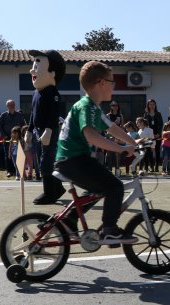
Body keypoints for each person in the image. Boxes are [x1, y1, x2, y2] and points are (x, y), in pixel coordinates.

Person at [54, 60, 139, 245]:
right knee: (114, 187)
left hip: (72, 159)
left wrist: (134, 143)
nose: (113, 86)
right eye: (112, 82)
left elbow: (112, 128)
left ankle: (68, 220)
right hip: (73, 160)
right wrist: (121, 149)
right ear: (101, 83)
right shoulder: (86, 106)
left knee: (98, 189)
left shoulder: (92, 107)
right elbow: (91, 136)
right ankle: (109, 229)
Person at [28, 49, 66, 204]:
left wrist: (49, 130)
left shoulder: (52, 92)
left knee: (46, 162)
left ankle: (49, 192)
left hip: (48, 131)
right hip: (38, 131)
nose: (32, 69)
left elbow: (53, 113)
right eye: (33, 65)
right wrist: (29, 129)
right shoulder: (36, 92)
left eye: (38, 65)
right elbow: (33, 113)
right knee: (40, 160)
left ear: (52, 73)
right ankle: (57, 188)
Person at [0, 99, 25, 177]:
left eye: (13, 104)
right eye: (10, 105)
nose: (12, 106)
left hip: (18, 139)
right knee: (8, 155)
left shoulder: (19, 115)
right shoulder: (3, 115)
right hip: (7, 139)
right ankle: (9, 171)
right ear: (7, 106)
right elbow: (0, 127)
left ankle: (19, 171)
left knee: (19, 155)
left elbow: (23, 125)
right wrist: (5, 136)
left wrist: (22, 136)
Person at [142, 99, 163, 173]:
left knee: (157, 151)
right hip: (148, 136)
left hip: (157, 135)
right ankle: (149, 167)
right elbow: (144, 125)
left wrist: (158, 133)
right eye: (150, 104)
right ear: (148, 105)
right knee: (148, 152)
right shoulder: (146, 114)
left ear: (155, 105)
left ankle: (157, 167)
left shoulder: (158, 114)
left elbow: (161, 125)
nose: (152, 106)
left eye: (153, 104)